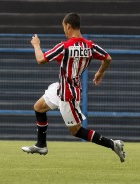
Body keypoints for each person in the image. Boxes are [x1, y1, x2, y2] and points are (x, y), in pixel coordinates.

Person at [21, 13, 126, 162]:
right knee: (38, 107)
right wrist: (99, 73)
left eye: (63, 27)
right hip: (61, 89)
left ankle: (112, 144)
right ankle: (41, 144)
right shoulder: (90, 46)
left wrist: (36, 44)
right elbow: (108, 58)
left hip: (67, 95)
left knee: (76, 131)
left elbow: (40, 59)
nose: (64, 30)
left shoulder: (64, 47)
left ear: (68, 26)